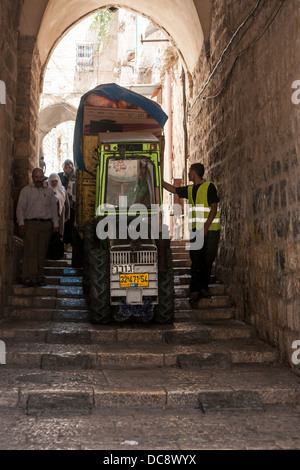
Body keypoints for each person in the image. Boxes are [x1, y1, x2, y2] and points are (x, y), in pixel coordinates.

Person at [162, 163, 221, 300]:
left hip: (210, 230)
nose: (188, 174)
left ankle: (204, 288)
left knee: (207, 260)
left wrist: (206, 227)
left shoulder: (209, 187)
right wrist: (160, 182)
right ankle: (194, 290)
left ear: (194, 172)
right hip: (196, 231)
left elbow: (214, 208)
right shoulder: (190, 189)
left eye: (189, 171)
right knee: (195, 259)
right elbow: (175, 190)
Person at [16, 168, 60, 287]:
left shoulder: (49, 192)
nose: (39, 179)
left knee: (41, 251)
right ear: (32, 178)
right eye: (36, 177)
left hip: (45, 225)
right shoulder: (26, 191)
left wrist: (56, 225)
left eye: (41, 177)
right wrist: (21, 223)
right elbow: (20, 208)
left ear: (43, 177)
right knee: (30, 251)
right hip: (31, 224)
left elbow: (53, 209)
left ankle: (39, 276)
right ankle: (28, 277)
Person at [58, 159, 76, 249]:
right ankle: (63, 241)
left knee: (71, 222)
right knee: (63, 221)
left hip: (73, 204)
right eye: (66, 167)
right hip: (63, 203)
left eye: (69, 167)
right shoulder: (60, 176)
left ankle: (70, 241)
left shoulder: (76, 176)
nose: (68, 169)